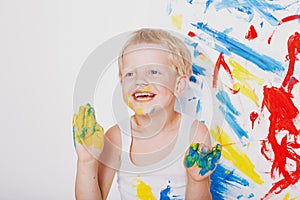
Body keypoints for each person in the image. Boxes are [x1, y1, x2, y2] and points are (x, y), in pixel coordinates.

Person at [73, 28, 221, 200]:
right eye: (130, 74)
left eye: (153, 72)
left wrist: (197, 181)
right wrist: (86, 162)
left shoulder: (195, 133)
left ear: (179, 85)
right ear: (121, 84)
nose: (140, 81)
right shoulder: (117, 137)